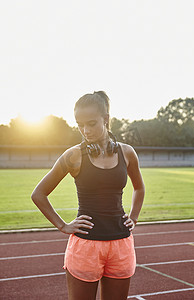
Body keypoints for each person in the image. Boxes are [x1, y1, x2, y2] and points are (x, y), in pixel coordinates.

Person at [31, 91, 145, 300]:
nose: (85, 130)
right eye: (80, 124)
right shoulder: (73, 156)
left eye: (92, 123)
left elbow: (139, 187)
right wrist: (63, 225)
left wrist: (134, 216)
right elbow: (38, 194)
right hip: (85, 247)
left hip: (121, 244)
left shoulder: (127, 153)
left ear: (107, 119)